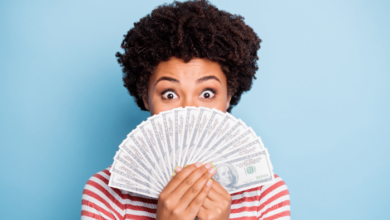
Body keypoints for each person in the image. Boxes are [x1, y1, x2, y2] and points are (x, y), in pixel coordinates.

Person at [81, 0, 290, 219]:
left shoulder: (265, 194)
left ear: (228, 98)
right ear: (146, 98)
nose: (189, 110)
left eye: (207, 93)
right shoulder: (106, 192)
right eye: (169, 94)